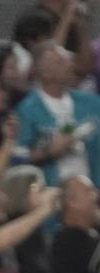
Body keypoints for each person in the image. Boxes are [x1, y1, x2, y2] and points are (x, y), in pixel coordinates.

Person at [16, 42, 100, 188]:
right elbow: (17, 158)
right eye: (60, 61)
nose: (69, 65)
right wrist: (49, 151)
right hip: (52, 193)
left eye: (68, 60)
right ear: (44, 71)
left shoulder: (91, 103)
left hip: (93, 189)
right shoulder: (27, 110)